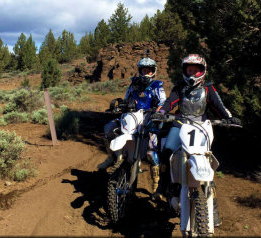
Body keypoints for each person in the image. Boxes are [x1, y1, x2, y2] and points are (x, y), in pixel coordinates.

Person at [152, 54, 241, 227]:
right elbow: (170, 103)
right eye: (189, 70)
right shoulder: (179, 87)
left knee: (206, 160)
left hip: (202, 126)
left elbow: (219, 106)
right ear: (184, 71)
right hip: (180, 124)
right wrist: (161, 112)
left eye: (195, 70)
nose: (192, 73)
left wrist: (229, 117)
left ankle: (213, 209)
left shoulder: (208, 89)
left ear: (202, 71)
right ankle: (164, 185)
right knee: (167, 150)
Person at [98, 55, 166, 194]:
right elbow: (126, 99)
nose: (146, 73)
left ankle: (156, 182)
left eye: (149, 70)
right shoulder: (133, 84)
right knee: (109, 129)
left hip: (148, 119)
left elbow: (162, 102)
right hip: (131, 117)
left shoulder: (157, 86)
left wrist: (158, 112)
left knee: (151, 151)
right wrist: (120, 106)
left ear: (153, 71)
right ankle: (111, 157)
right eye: (144, 70)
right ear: (139, 71)